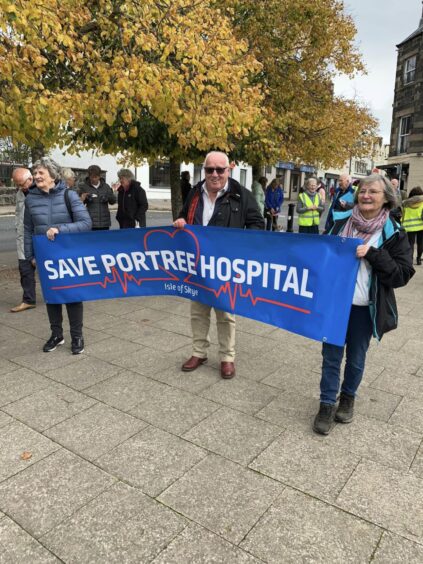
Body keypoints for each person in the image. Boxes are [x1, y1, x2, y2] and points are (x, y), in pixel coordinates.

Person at [313, 174, 415, 435]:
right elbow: (321, 257)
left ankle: (347, 398)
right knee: (331, 356)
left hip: (364, 307)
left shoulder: (394, 233)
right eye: (362, 191)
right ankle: (326, 403)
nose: (366, 196)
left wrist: (373, 254)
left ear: (386, 199)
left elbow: (401, 275)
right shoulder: (340, 222)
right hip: (336, 304)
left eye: (373, 192)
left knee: (356, 357)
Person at [173, 151, 264, 379]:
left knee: (226, 314)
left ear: (228, 170)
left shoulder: (242, 195)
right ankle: (199, 352)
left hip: (226, 268)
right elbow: (184, 216)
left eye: (219, 169)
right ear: (204, 170)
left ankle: (227, 357)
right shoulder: (194, 193)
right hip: (198, 266)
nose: (214, 174)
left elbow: (257, 225)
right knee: (198, 312)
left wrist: (239, 247)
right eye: (209, 169)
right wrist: (181, 222)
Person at [24, 157, 92, 354]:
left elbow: (85, 223)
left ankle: (77, 336)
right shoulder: (30, 199)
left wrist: (60, 229)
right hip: (45, 256)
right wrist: (31, 257)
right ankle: (56, 335)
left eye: (40, 173)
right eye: (35, 173)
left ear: (53, 175)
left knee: (72, 295)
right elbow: (28, 229)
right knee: (51, 297)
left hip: (68, 255)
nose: (36, 176)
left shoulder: (68, 195)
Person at [10, 168, 37, 313]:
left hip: (39, 236)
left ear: (30, 179)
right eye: (17, 185)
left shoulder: (40, 191)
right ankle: (28, 300)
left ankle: (62, 294)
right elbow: (17, 213)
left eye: (22, 184)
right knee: (25, 270)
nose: (21, 187)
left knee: (50, 267)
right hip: (23, 237)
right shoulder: (20, 194)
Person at [78, 164, 116, 230]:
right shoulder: (84, 187)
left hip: (104, 222)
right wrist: (84, 199)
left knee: (104, 240)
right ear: (89, 176)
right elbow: (79, 204)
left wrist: (107, 198)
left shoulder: (106, 186)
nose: (94, 179)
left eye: (96, 177)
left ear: (99, 176)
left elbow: (113, 201)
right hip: (91, 222)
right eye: (92, 177)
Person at [402, 186, 423, 265]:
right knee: (420, 243)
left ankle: (410, 260)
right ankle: (419, 259)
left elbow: (403, 215)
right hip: (421, 226)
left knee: (410, 243)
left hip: (409, 226)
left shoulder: (406, 204)